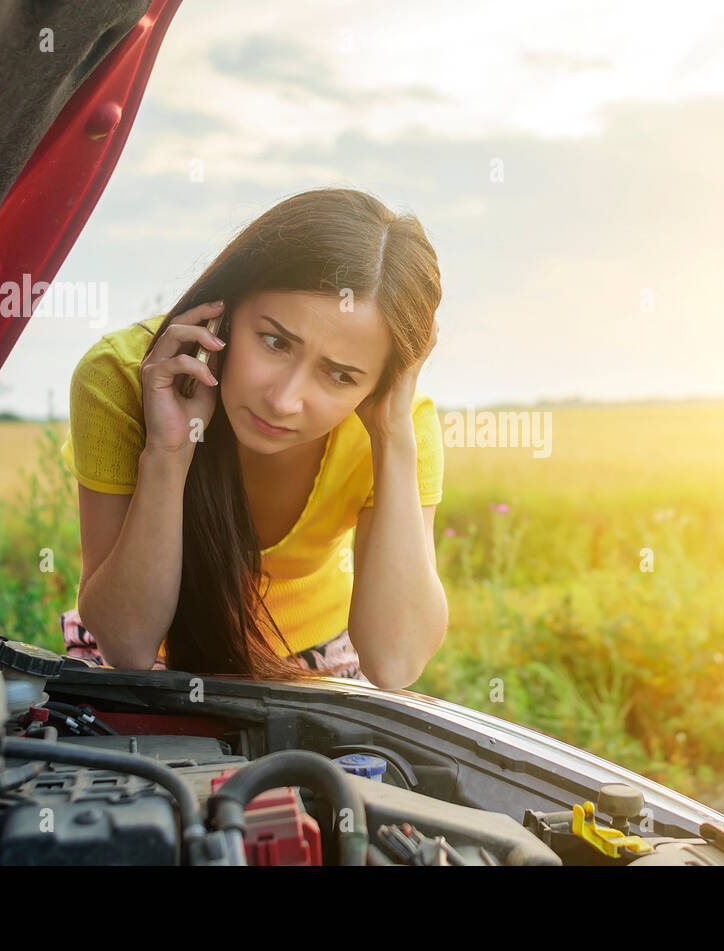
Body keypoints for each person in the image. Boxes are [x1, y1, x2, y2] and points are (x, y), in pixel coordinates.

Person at [58, 188, 447, 688]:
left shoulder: (394, 424)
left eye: (341, 376)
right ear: (227, 309)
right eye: (275, 341)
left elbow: (395, 664)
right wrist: (168, 453)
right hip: (146, 666)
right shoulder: (123, 376)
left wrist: (393, 436)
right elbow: (128, 646)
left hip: (314, 659)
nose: (284, 400)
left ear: (382, 381)